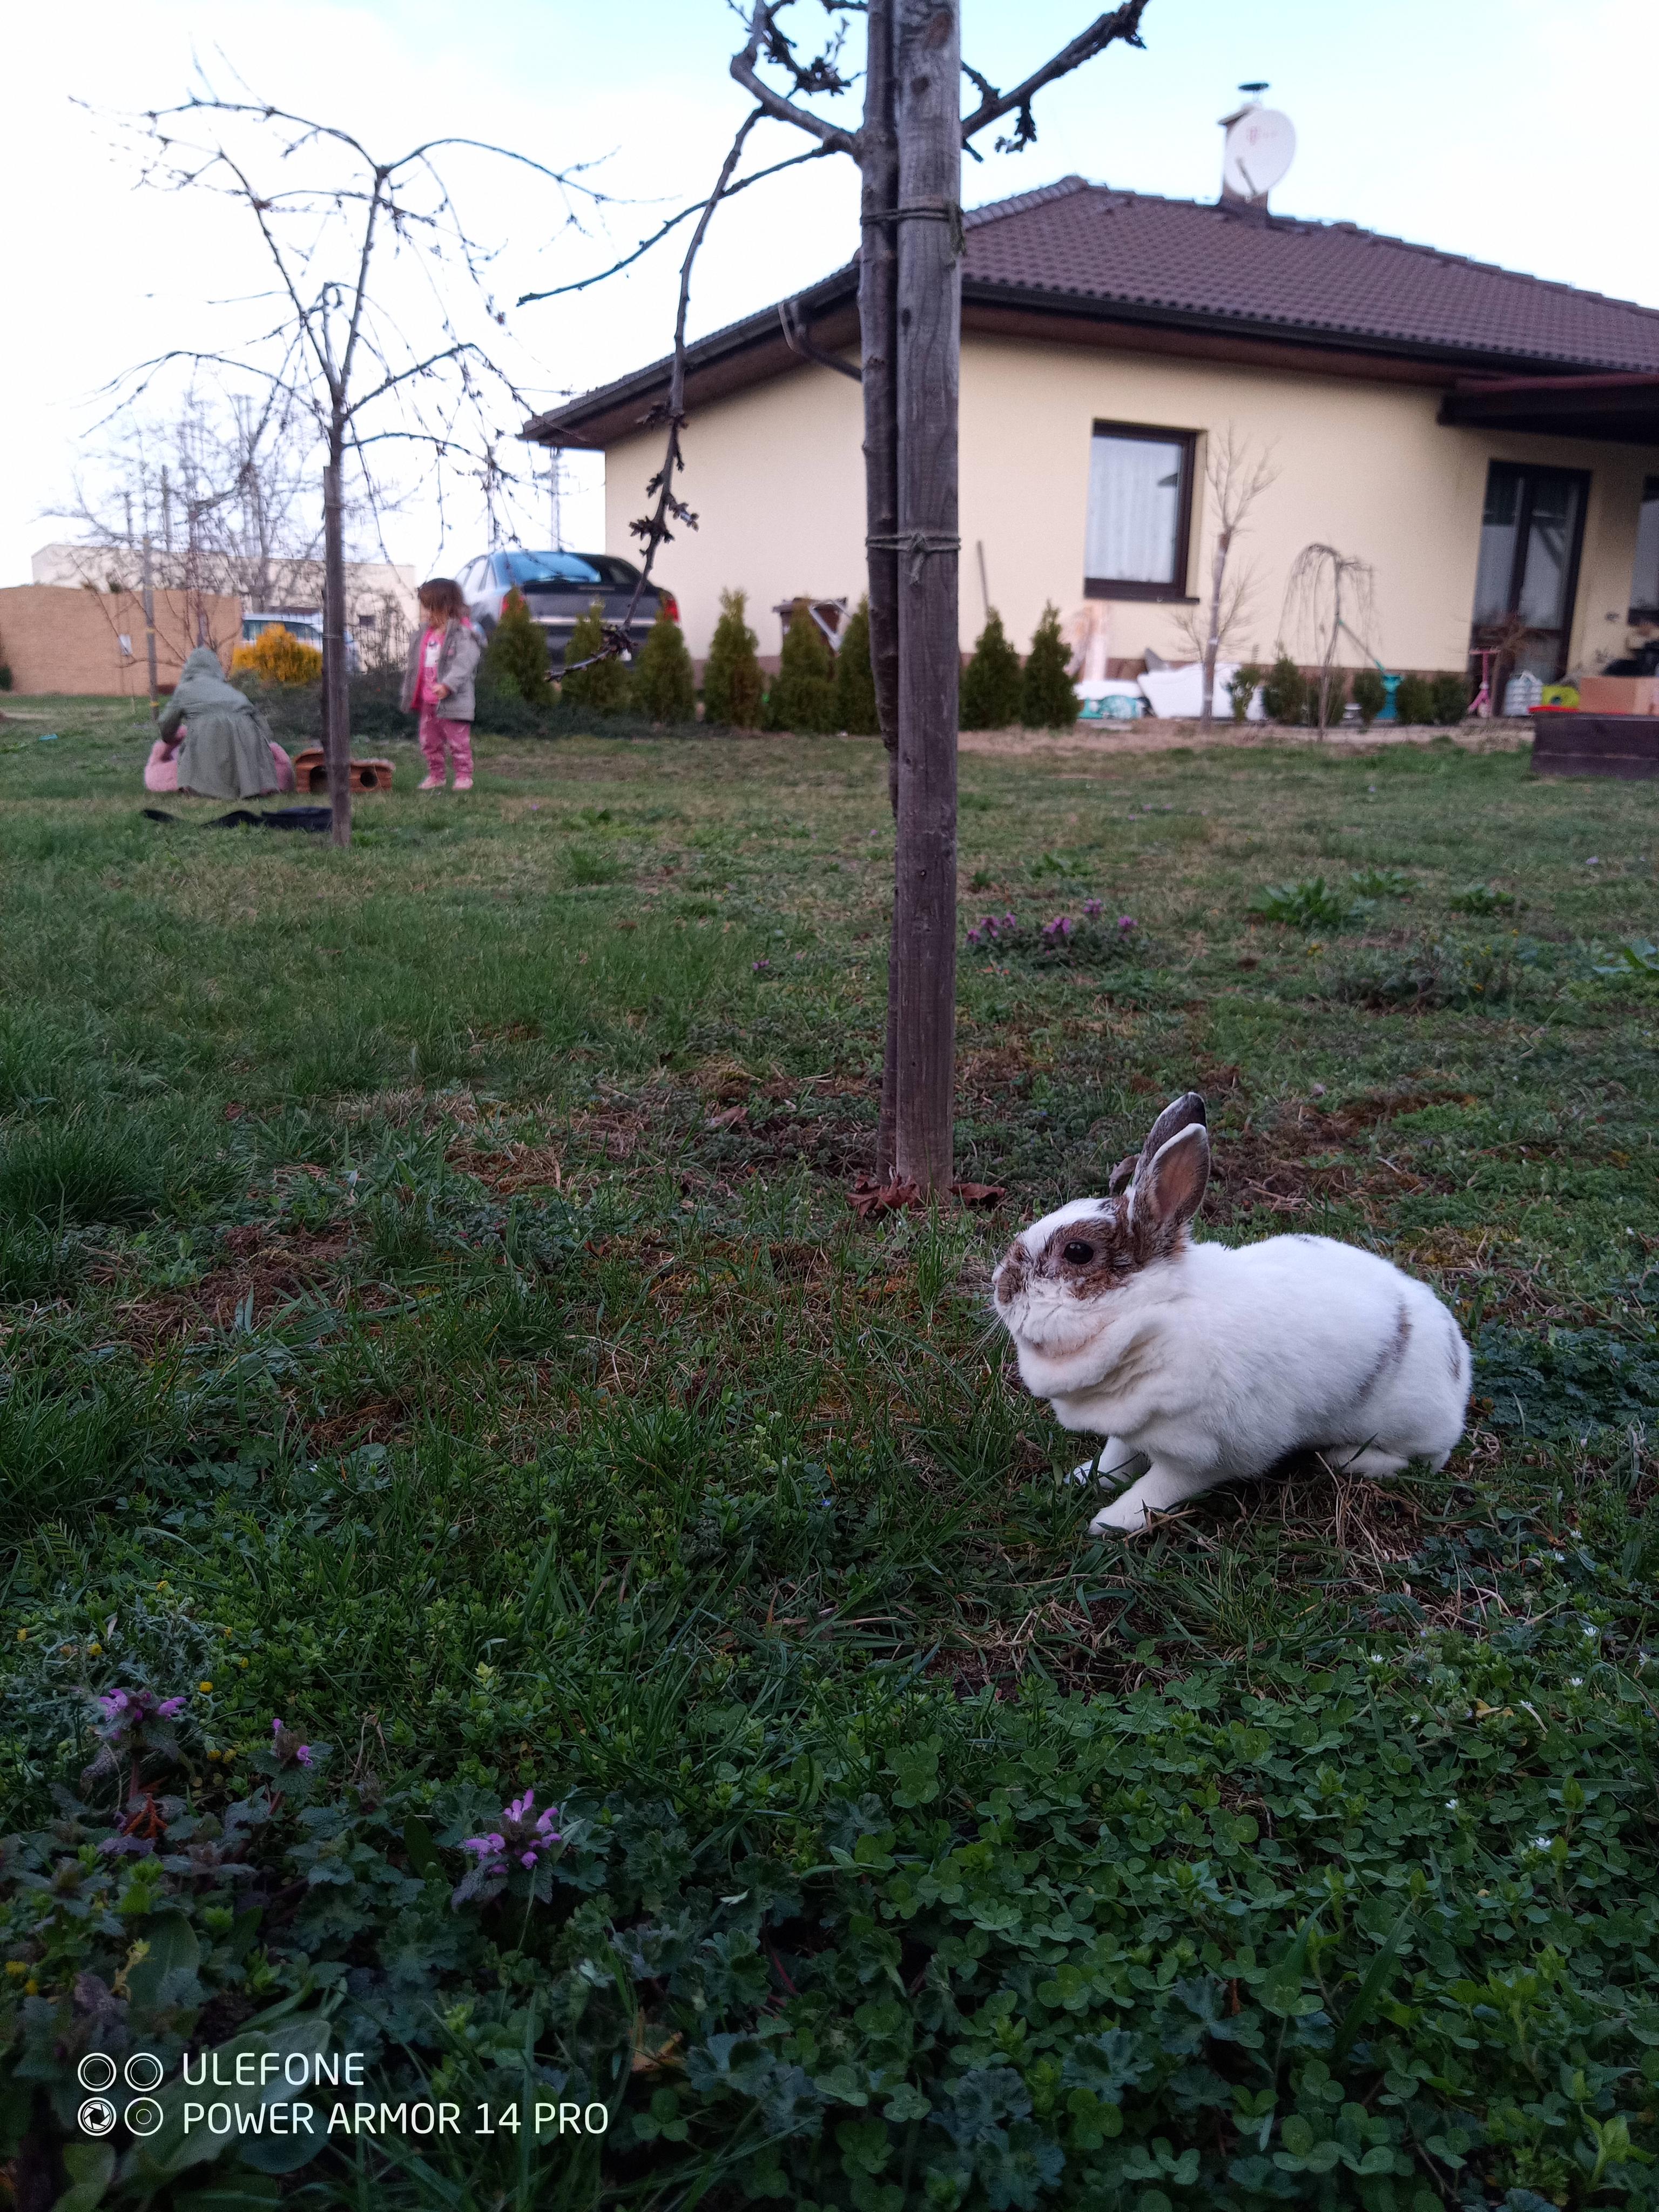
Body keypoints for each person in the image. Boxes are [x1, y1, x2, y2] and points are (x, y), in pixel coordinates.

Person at [153, 647, 293, 799]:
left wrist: (168, 738)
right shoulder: (232, 691)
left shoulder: (185, 690)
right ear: (216, 668)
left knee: (201, 740)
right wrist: (264, 745)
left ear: (190, 668)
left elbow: (167, 722)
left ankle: (208, 789)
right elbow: (260, 721)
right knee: (236, 747)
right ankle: (247, 787)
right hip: (247, 733)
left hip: (209, 737)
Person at [401, 577, 482, 792]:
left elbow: (465, 663)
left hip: (452, 700)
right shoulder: (424, 635)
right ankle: (436, 775)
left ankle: (464, 776)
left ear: (446, 607)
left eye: (429, 608)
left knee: (458, 742)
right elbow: (414, 666)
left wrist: (448, 685)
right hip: (428, 700)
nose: (424, 613)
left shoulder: (463, 634)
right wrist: (411, 692)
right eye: (423, 608)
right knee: (429, 742)